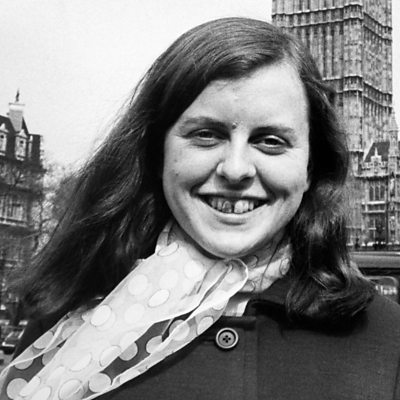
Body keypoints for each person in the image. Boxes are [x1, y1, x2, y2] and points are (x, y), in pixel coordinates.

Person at [1, 17, 399, 400]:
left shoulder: (387, 342)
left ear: (312, 167)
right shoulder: (64, 318)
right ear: (157, 153)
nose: (236, 169)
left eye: (270, 141)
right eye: (206, 135)